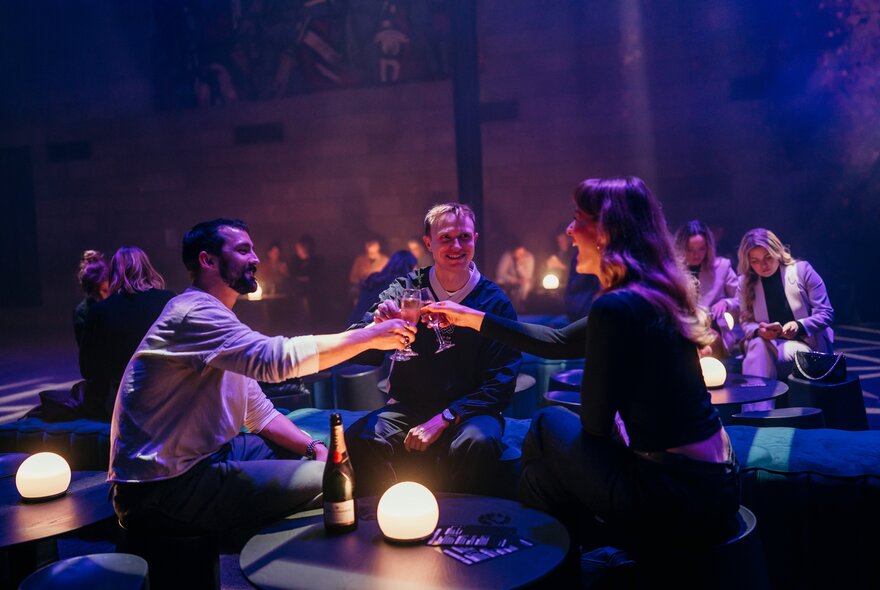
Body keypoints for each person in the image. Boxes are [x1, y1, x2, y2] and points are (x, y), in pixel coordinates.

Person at [423, 178, 740, 573]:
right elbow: (556, 341)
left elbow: (594, 427)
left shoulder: (616, 308)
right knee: (540, 477)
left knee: (543, 424)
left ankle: (543, 572)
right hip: (718, 484)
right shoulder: (652, 293)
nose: (569, 231)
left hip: (671, 496)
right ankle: (571, 566)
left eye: (577, 219)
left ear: (605, 231)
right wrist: (470, 318)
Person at [109, 218, 415, 538]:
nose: (255, 258)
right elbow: (276, 360)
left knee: (332, 456)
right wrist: (369, 337)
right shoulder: (193, 312)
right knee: (335, 479)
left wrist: (312, 446)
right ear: (207, 260)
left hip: (209, 456)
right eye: (243, 250)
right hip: (164, 485)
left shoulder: (216, 315)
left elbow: (259, 412)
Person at [345, 203, 521, 497]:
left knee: (477, 442)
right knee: (360, 437)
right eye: (446, 238)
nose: (456, 246)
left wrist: (447, 417)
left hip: (471, 411)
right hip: (410, 407)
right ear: (428, 242)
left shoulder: (494, 301)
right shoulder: (407, 289)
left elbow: (501, 382)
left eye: (464, 237)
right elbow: (358, 348)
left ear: (475, 239)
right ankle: (389, 517)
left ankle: (462, 527)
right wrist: (376, 328)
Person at [79, 247, 175, 419]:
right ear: (148, 268)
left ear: (113, 274)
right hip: (169, 397)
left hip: (123, 401)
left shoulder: (99, 311)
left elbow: (88, 368)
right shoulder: (169, 300)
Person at [736, 228, 834, 380]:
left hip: (805, 344)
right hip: (767, 344)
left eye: (768, 257)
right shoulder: (745, 283)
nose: (763, 265)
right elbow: (746, 322)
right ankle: (760, 401)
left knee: (759, 352)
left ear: (777, 251)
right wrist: (759, 332)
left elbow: (826, 313)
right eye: (755, 261)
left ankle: (758, 401)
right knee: (759, 345)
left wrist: (799, 326)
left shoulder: (802, 270)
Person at [674, 220, 740, 356]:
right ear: (680, 248)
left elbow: (743, 299)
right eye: (690, 250)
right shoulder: (672, 270)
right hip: (681, 329)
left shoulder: (722, 267)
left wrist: (726, 303)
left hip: (712, 329)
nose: (696, 255)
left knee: (709, 341)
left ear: (708, 247)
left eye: (701, 249)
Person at [348, 250, 417, 325]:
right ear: (411, 266)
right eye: (415, 267)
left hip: (354, 325)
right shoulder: (401, 285)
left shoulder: (374, 278)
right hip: (373, 327)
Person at [73, 250, 109, 347]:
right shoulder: (81, 313)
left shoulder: (115, 306)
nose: (102, 297)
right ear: (90, 291)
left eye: (105, 291)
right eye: (97, 293)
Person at [495, 244, 535, 310]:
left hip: (523, 282)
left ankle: (521, 305)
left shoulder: (529, 257)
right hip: (509, 280)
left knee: (526, 285)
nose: (521, 255)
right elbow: (500, 273)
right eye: (519, 253)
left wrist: (519, 266)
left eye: (523, 253)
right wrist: (515, 280)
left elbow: (528, 276)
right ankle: (502, 307)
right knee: (499, 282)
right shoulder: (507, 256)